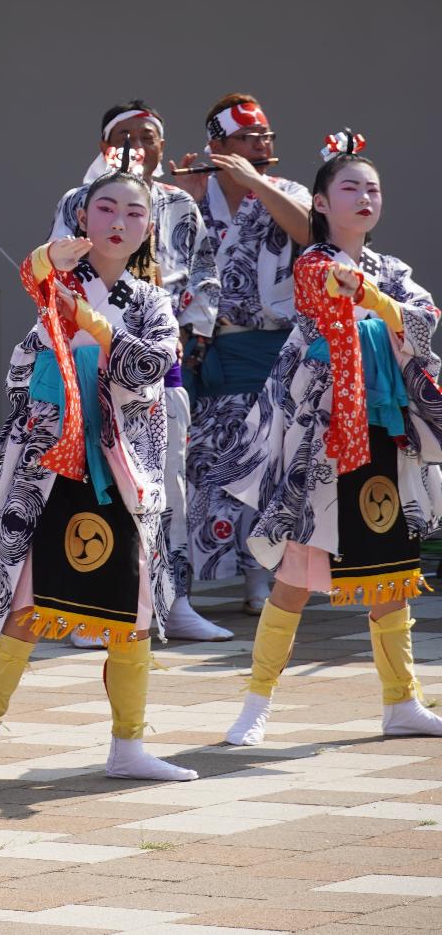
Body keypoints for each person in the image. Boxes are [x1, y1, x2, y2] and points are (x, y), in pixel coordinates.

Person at [0, 170, 198, 792]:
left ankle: (129, 745)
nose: (119, 221)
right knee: (26, 607)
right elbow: (29, 314)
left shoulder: (152, 299)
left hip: (122, 464)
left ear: (149, 227)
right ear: (82, 219)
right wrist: (52, 277)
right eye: (105, 208)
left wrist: (92, 322)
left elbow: (152, 364)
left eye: (135, 213)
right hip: (52, 464)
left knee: (134, 612)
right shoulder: (57, 279)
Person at [219, 138, 442, 745]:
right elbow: (330, 296)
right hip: (322, 438)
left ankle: (403, 701)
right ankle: (255, 704)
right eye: (350, 187)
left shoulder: (390, 269)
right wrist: (375, 302)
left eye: (373, 188)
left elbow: (424, 322)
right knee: (295, 574)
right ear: (319, 202)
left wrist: (374, 296)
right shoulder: (313, 261)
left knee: (391, 574)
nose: (365, 196)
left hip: (383, 432)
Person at [51, 103, 229, 644]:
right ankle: (92, 602)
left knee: (167, 485)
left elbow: (203, 271)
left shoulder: (177, 203)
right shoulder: (79, 200)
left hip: (158, 355)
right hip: (93, 351)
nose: (136, 145)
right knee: (96, 479)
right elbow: (59, 268)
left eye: (147, 136)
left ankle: (173, 602)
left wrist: (195, 332)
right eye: (124, 135)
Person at [172, 95, 312, 614]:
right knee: (202, 464)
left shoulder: (287, 191)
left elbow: (310, 231)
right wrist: (180, 200)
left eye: (267, 138)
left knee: (264, 459)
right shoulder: (189, 190)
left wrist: (258, 183)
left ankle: (262, 576)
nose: (261, 146)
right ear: (217, 146)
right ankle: (185, 583)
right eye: (249, 140)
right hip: (201, 349)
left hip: (266, 345)